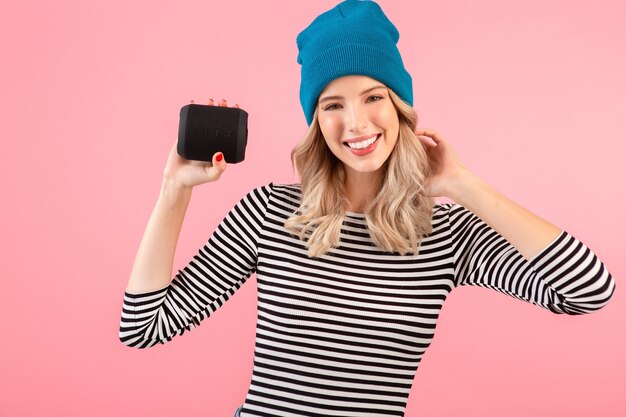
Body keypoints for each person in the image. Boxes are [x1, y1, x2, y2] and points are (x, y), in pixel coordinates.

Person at [119, 1, 616, 416]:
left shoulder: (445, 235)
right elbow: (144, 327)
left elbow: (588, 290)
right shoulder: (270, 213)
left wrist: (464, 185)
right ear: (315, 120)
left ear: (399, 107)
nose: (355, 123)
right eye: (333, 104)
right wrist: (174, 190)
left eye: (373, 97)